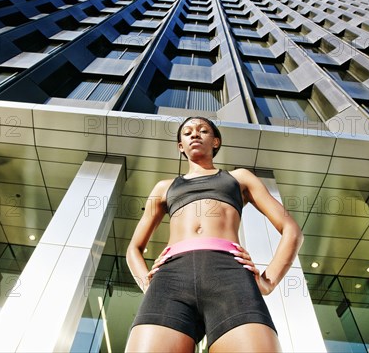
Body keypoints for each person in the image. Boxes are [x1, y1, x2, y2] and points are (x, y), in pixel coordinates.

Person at [125, 116, 303, 352]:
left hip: (229, 276)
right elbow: (133, 248)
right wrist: (147, 283)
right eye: (187, 133)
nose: (194, 134)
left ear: (216, 141)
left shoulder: (239, 178)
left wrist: (268, 282)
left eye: (202, 130)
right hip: (170, 280)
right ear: (181, 146)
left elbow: (292, 230)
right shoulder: (163, 188)